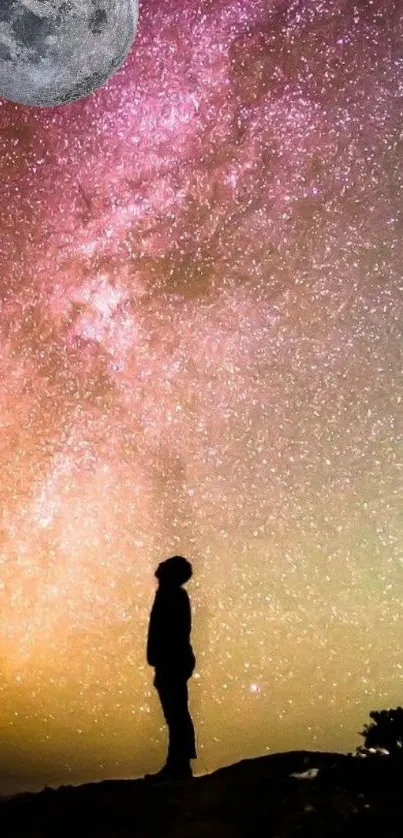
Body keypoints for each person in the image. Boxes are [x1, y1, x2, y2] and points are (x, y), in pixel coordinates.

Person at [146, 555, 197, 782]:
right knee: (175, 713)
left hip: (172, 661)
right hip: (171, 660)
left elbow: (172, 633)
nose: (158, 566)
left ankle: (179, 765)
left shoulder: (173, 596)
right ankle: (177, 764)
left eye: (164, 566)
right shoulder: (170, 595)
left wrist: (162, 659)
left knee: (176, 713)